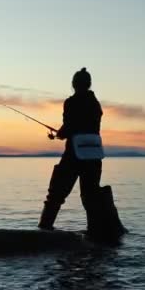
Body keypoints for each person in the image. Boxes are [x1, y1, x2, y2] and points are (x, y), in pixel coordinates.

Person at [38, 67, 127, 242]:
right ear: (89, 84)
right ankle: (95, 232)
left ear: (74, 84)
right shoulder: (96, 104)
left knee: (56, 194)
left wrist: (58, 135)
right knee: (91, 196)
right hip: (93, 155)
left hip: (73, 154)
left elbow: (68, 127)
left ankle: (43, 230)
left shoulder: (71, 102)